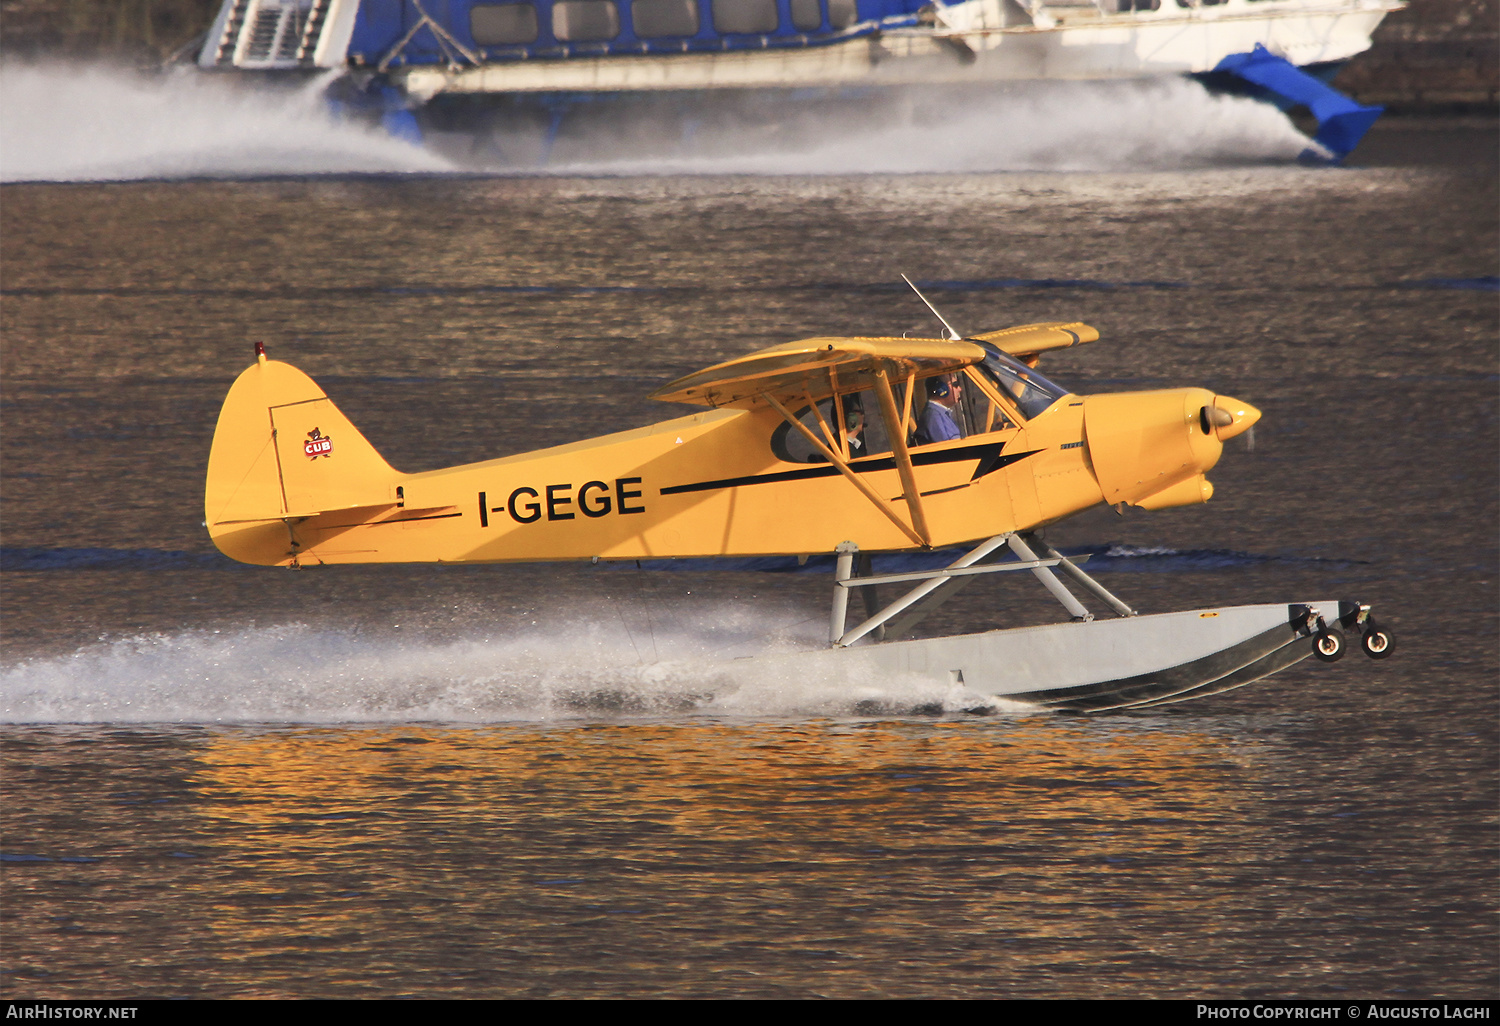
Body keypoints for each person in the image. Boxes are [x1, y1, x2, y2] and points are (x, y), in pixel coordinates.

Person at [916, 376, 962, 445]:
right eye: (955, 385)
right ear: (941, 389)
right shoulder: (933, 416)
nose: (959, 389)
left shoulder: (940, 414)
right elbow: (949, 449)